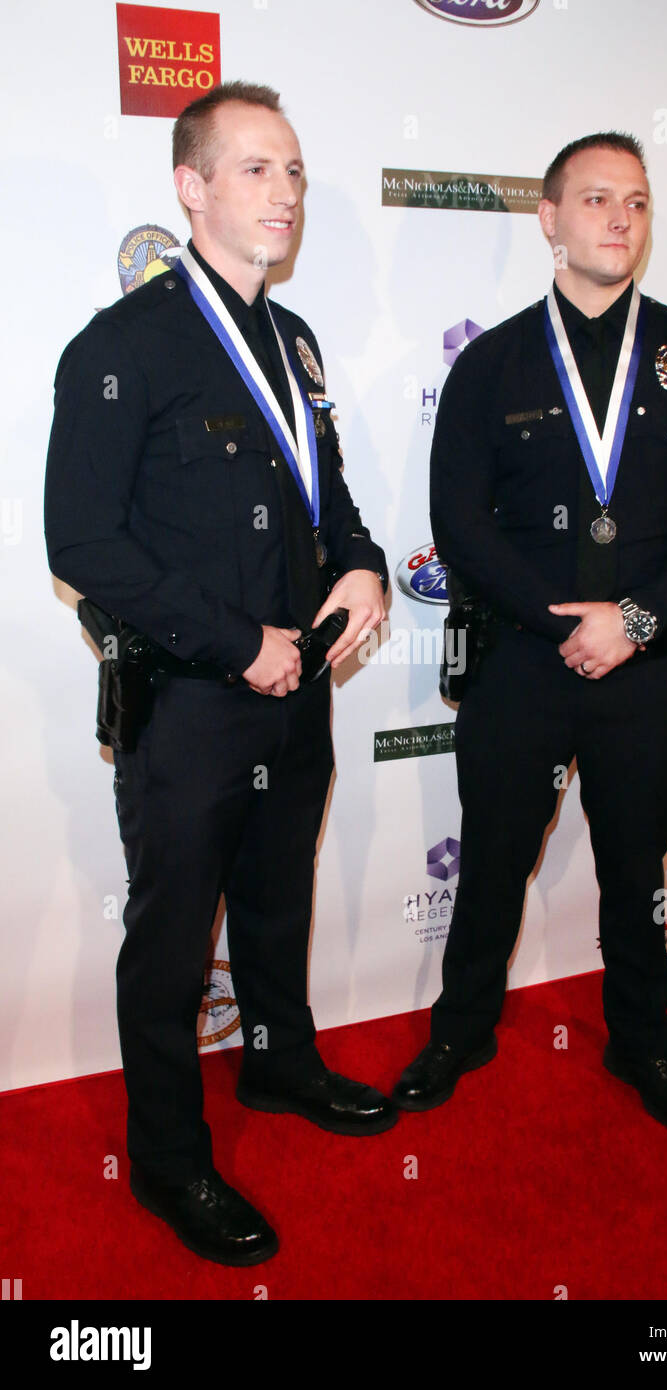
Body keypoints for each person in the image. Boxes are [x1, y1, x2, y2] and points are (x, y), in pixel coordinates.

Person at [45, 81, 395, 1267]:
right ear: (190, 189)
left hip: (298, 690)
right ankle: (166, 1159)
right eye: (255, 169)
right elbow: (81, 545)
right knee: (171, 936)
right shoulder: (119, 347)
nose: (284, 193)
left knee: (277, 895)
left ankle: (280, 1064)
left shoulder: (293, 343)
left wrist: (362, 571)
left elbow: (327, 502)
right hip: (192, 706)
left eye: (292, 171)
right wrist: (236, 644)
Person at [392, 132, 667, 1133]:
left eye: (635, 202)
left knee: (635, 871)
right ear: (548, 219)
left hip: (645, 667)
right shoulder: (489, 361)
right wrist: (559, 623)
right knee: (494, 859)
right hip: (520, 662)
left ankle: (641, 1039)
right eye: (594, 199)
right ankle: (461, 1026)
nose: (617, 219)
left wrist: (635, 620)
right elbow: (457, 520)